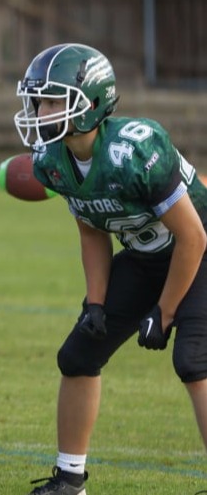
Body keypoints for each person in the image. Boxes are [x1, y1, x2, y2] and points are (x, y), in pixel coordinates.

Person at [13, 43, 207, 495]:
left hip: (198, 251)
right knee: (78, 356)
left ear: (92, 104)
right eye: (38, 99)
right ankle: (70, 479)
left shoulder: (136, 148)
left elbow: (194, 237)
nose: (41, 110)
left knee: (193, 360)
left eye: (53, 100)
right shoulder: (51, 161)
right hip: (144, 256)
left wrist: (165, 311)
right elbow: (92, 232)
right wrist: (95, 303)